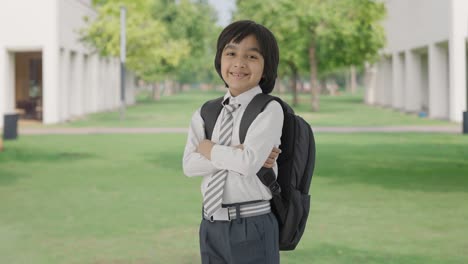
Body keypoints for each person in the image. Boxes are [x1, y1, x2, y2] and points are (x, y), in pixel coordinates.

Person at [182, 20, 283, 263]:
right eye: (231, 53)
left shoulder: (268, 109)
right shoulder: (206, 112)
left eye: (251, 56)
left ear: (266, 67)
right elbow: (189, 166)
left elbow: (247, 165)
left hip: (252, 225)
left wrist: (209, 149)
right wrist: (231, 154)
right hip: (210, 224)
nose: (239, 63)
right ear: (220, 60)